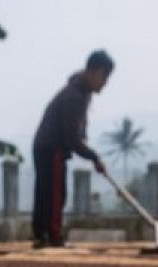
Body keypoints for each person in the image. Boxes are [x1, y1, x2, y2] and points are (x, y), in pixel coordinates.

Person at [32, 50, 113, 248]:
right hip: (52, 148)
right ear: (94, 71)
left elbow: (77, 131)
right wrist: (94, 157)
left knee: (50, 192)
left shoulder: (81, 93)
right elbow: (72, 140)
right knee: (53, 193)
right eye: (104, 77)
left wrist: (90, 153)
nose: (105, 83)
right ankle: (51, 236)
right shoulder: (74, 96)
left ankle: (43, 235)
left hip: (47, 146)